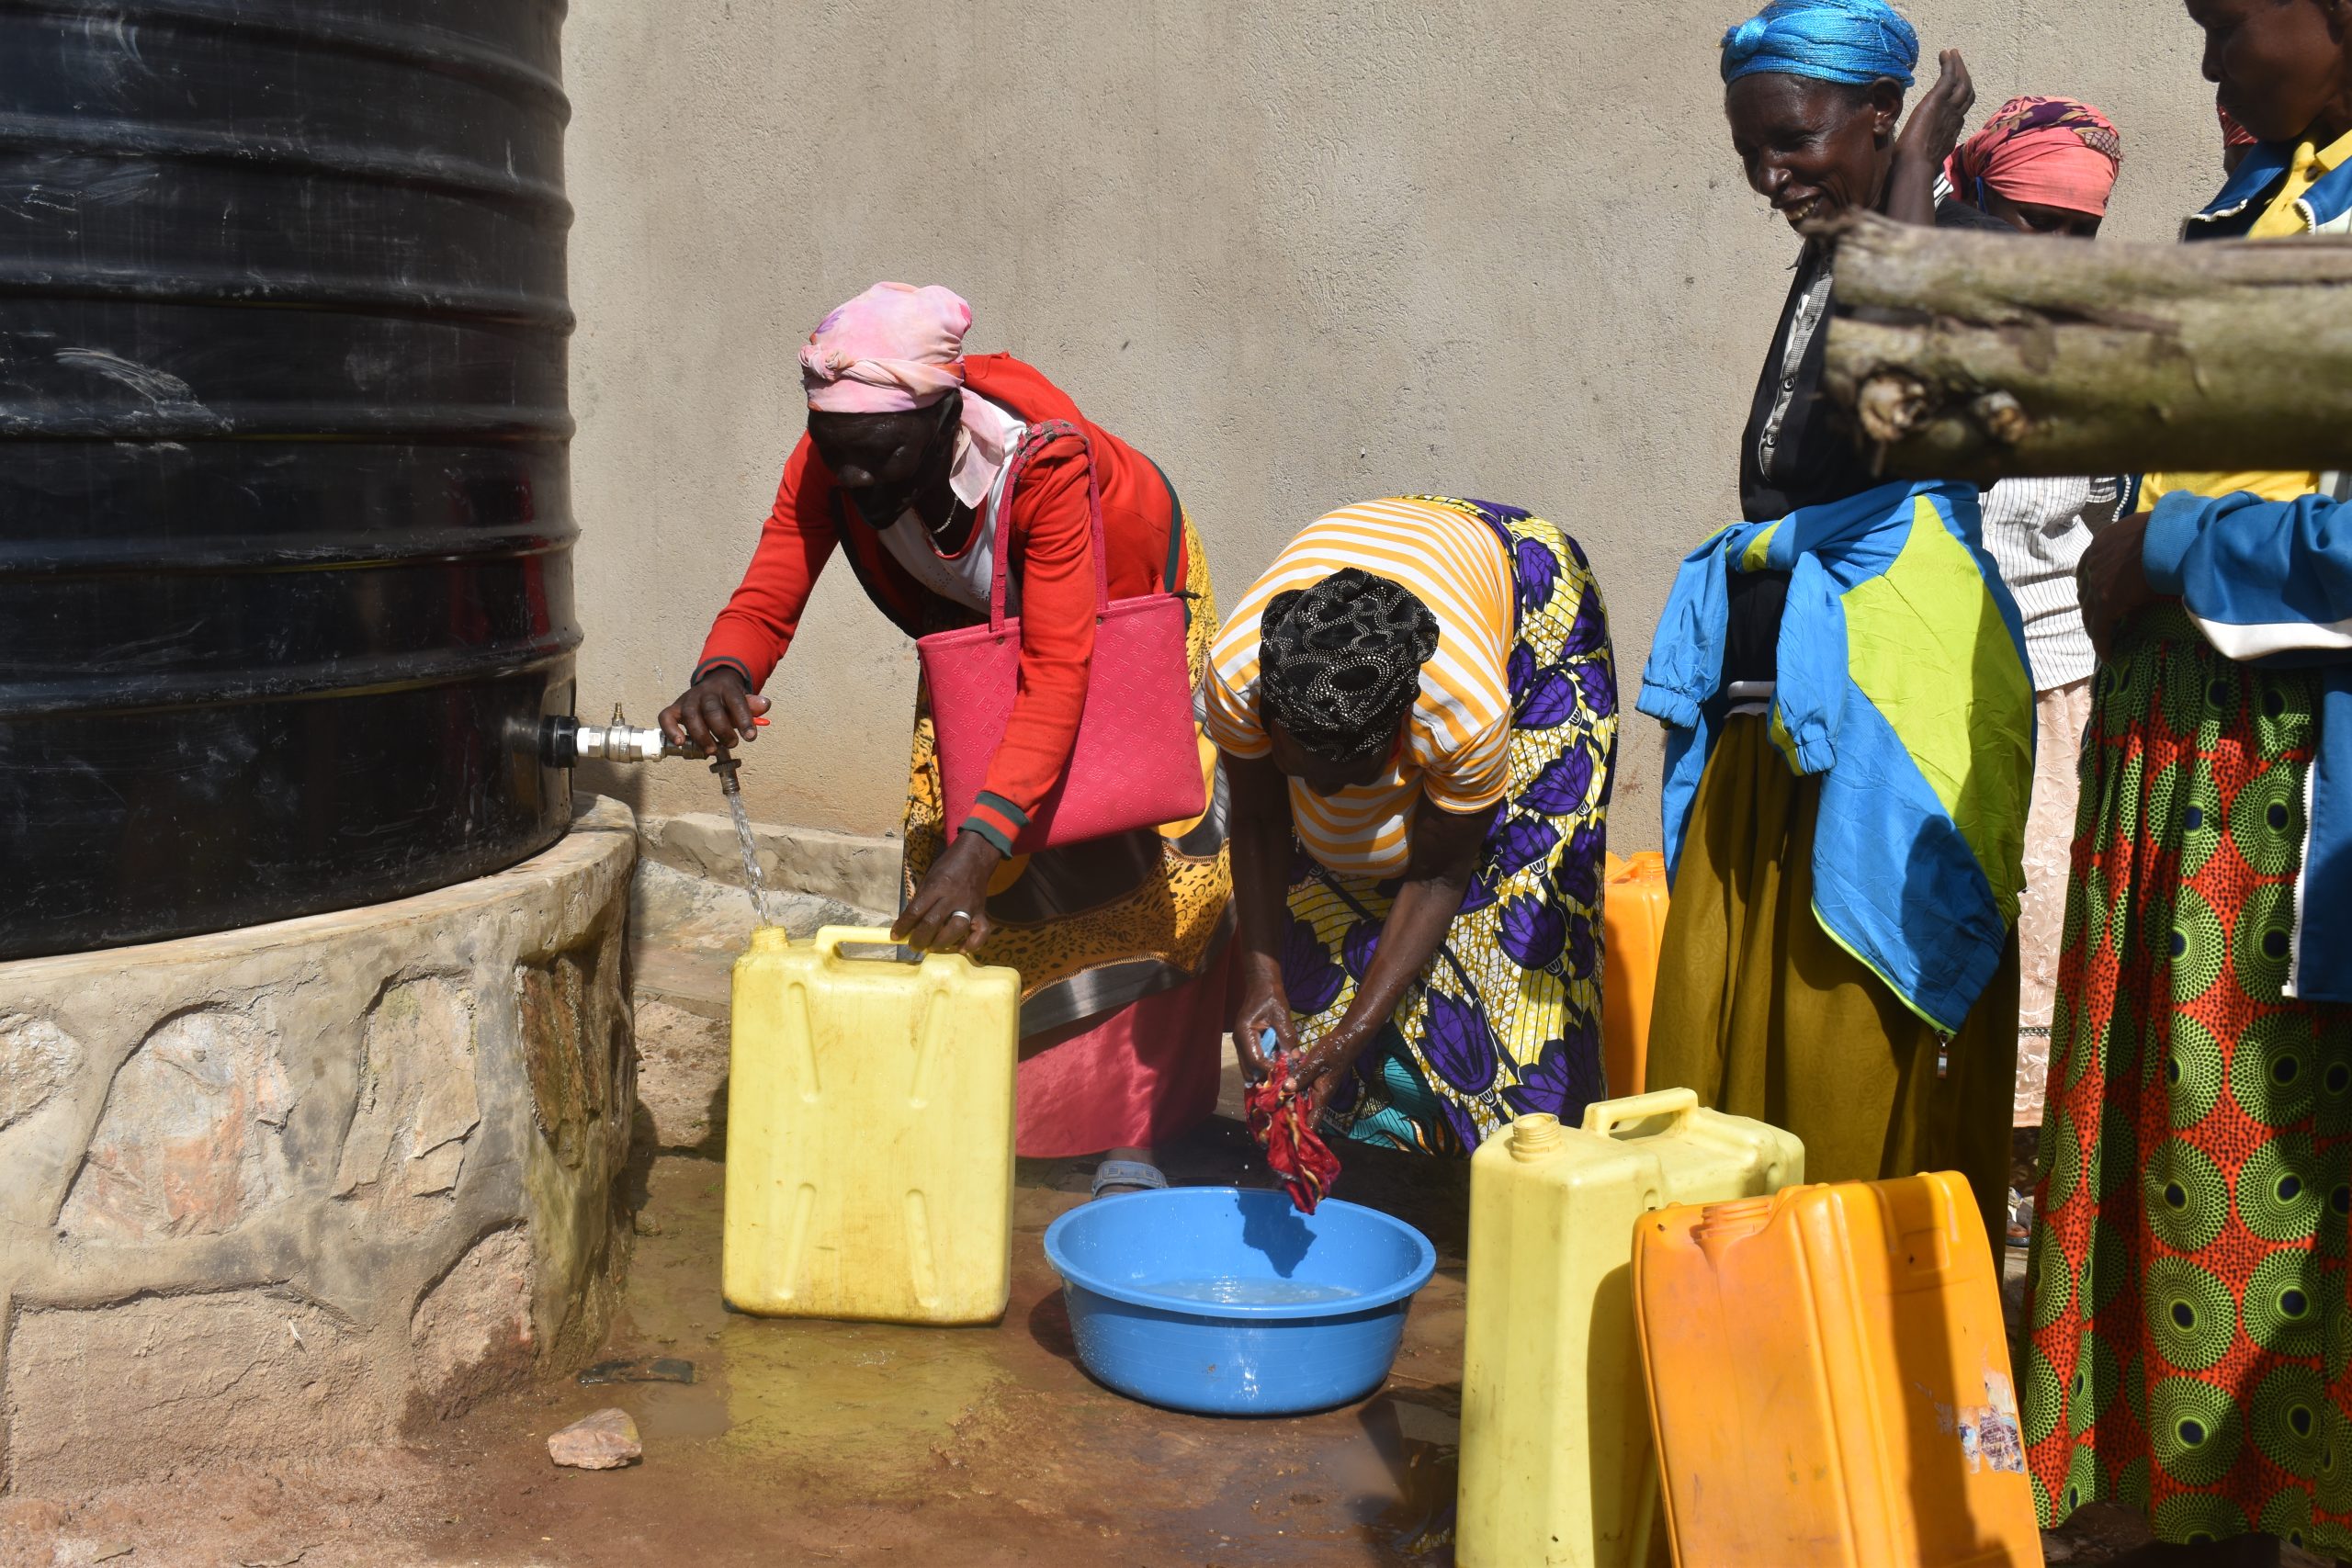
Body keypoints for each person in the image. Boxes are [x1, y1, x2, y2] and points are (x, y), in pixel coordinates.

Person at [660, 283, 1231, 1196]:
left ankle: (1133, 1135)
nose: (854, 483)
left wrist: (984, 842)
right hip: (981, 623)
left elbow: (1058, 675)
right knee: (962, 864)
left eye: (878, 459)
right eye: (834, 456)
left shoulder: (1043, 465)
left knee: (1138, 860)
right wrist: (723, 674)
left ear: (940, 420)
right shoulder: (838, 450)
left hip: (1123, 608)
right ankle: (983, 1111)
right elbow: (775, 578)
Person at [2024, 0, 2352, 1556]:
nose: (2212, 62)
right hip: (2176, 780)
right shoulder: (2264, 208)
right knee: (2160, 1163)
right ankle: (2184, 1509)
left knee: (2267, 1183)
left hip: (2281, 795)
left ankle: (2274, 1508)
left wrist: (2167, 545)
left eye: (2233, 21)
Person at [1637, 0, 2032, 1247]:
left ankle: (1860, 1337)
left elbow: (1892, 417)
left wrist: (1918, 178)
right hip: (1785, 716)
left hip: (1880, 717)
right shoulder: (1837, 253)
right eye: (1749, 149)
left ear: (1878, 116)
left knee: (1849, 1051)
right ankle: (1744, 1334)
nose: (1769, 174)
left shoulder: (1954, 247)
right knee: (1736, 1040)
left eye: (1795, 139)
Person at [1207, 497, 1615, 1154]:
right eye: (1297, 765)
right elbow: (1257, 816)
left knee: (1520, 915)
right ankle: (1374, 1151)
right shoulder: (1238, 676)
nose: (1320, 791)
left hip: (1528, 610)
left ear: (1401, 736)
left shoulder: (1462, 710)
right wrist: (1262, 974)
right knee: (1314, 911)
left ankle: (1506, 1162)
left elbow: (1436, 875)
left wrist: (1347, 1040)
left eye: (1344, 773)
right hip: (1392, 570)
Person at [1943, 95, 2132, 1190]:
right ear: (1971, 198)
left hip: (2056, 680)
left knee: (2047, 924)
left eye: (2080, 232)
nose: (2056, 252)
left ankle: (2023, 1174)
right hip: (1931, 679)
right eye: (2030, 218)